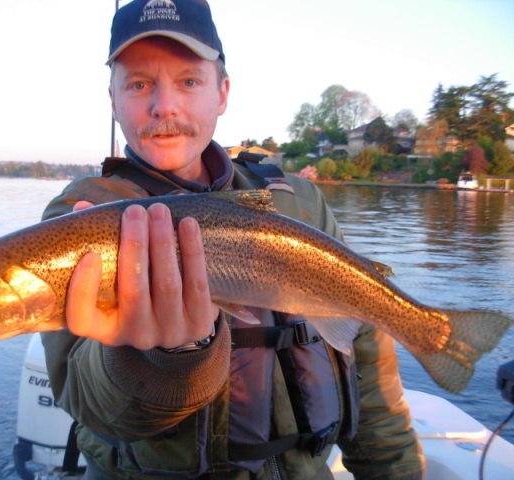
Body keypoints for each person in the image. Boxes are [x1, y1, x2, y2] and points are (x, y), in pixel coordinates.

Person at [41, 1, 424, 478]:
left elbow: (372, 381)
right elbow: (87, 400)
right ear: (113, 100)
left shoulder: (301, 203)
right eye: (139, 84)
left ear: (222, 93)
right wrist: (166, 360)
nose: (165, 105)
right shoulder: (77, 220)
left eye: (189, 81)